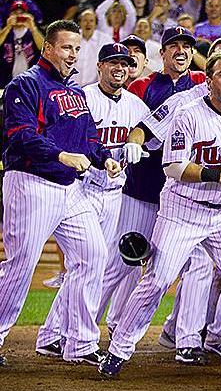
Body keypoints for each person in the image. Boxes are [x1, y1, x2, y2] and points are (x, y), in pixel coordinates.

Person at [99, 51, 221, 385]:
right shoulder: (188, 113)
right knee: (157, 280)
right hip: (183, 211)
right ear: (208, 81)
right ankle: (119, 349)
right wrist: (219, 175)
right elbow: (173, 167)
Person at [0, 20, 120, 367]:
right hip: (31, 182)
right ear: (48, 48)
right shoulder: (26, 83)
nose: (73, 55)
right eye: (67, 47)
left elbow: (90, 139)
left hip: (70, 189)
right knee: (21, 264)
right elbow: (19, 135)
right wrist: (61, 154)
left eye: (77, 49)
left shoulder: (76, 92)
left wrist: (106, 159)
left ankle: (80, 342)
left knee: (94, 254)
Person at [35, 42, 150, 357]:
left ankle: (53, 335)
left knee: (88, 266)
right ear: (99, 66)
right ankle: (60, 336)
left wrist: (139, 146)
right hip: (84, 188)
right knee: (83, 264)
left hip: (115, 196)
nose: (119, 68)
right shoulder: (83, 97)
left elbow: (148, 141)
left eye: (124, 64)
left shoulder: (136, 105)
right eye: (112, 62)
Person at [93, 26, 206, 340]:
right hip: (142, 188)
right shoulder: (142, 84)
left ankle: (182, 336)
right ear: (163, 52)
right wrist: (133, 141)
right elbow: (135, 125)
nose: (181, 51)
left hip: (184, 194)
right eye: (174, 46)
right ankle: (79, 329)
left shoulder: (200, 83)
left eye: (186, 46)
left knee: (192, 267)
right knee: (121, 261)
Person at [0, 0, 44, 88]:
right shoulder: (6, 32)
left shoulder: (33, 31)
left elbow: (42, 47)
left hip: (30, 80)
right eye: (15, 13)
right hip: (7, 80)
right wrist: (8, 27)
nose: (19, 16)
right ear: (10, 15)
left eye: (22, 13)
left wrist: (33, 28)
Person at [72, 9, 113, 87]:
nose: (88, 24)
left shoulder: (105, 40)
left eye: (91, 21)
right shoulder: (71, 37)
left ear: (96, 24)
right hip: (72, 85)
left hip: (95, 88)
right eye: (85, 20)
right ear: (79, 23)